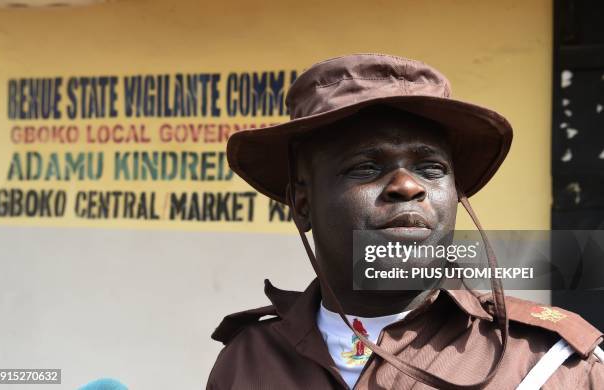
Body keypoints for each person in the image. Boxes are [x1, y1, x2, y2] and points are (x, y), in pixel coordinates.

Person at [206, 54, 604, 389]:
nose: (406, 186)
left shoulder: (551, 365)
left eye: (431, 168)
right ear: (302, 204)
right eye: (365, 168)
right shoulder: (246, 361)